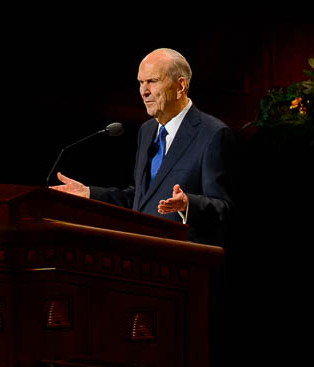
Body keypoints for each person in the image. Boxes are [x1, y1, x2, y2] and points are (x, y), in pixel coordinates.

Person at [52, 48, 233, 247]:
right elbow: (141, 199)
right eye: (140, 82)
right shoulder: (147, 131)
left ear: (180, 86)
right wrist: (89, 193)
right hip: (145, 259)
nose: (143, 91)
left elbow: (223, 208)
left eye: (152, 81)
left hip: (185, 262)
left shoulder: (212, 134)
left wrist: (188, 204)